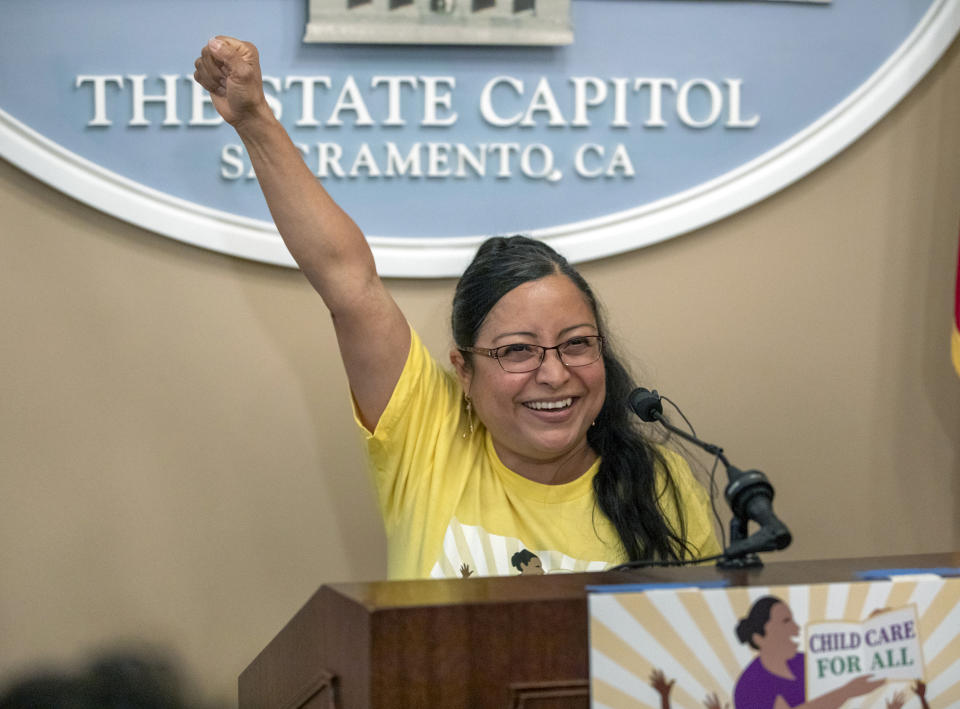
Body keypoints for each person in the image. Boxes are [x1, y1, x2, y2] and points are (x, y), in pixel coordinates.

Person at [192, 37, 720, 580]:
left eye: (577, 343)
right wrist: (254, 119)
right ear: (463, 369)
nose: (555, 374)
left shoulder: (662, 483)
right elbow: (348, 281)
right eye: (518, 351)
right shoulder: (432, 435)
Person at [733, 597, 883, 709]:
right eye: (786, 622)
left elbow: (843, 667)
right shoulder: (750, 685)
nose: (796, 628)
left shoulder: (802, 662)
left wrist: (872, 632)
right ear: (759, 638)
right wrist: (845, 692)